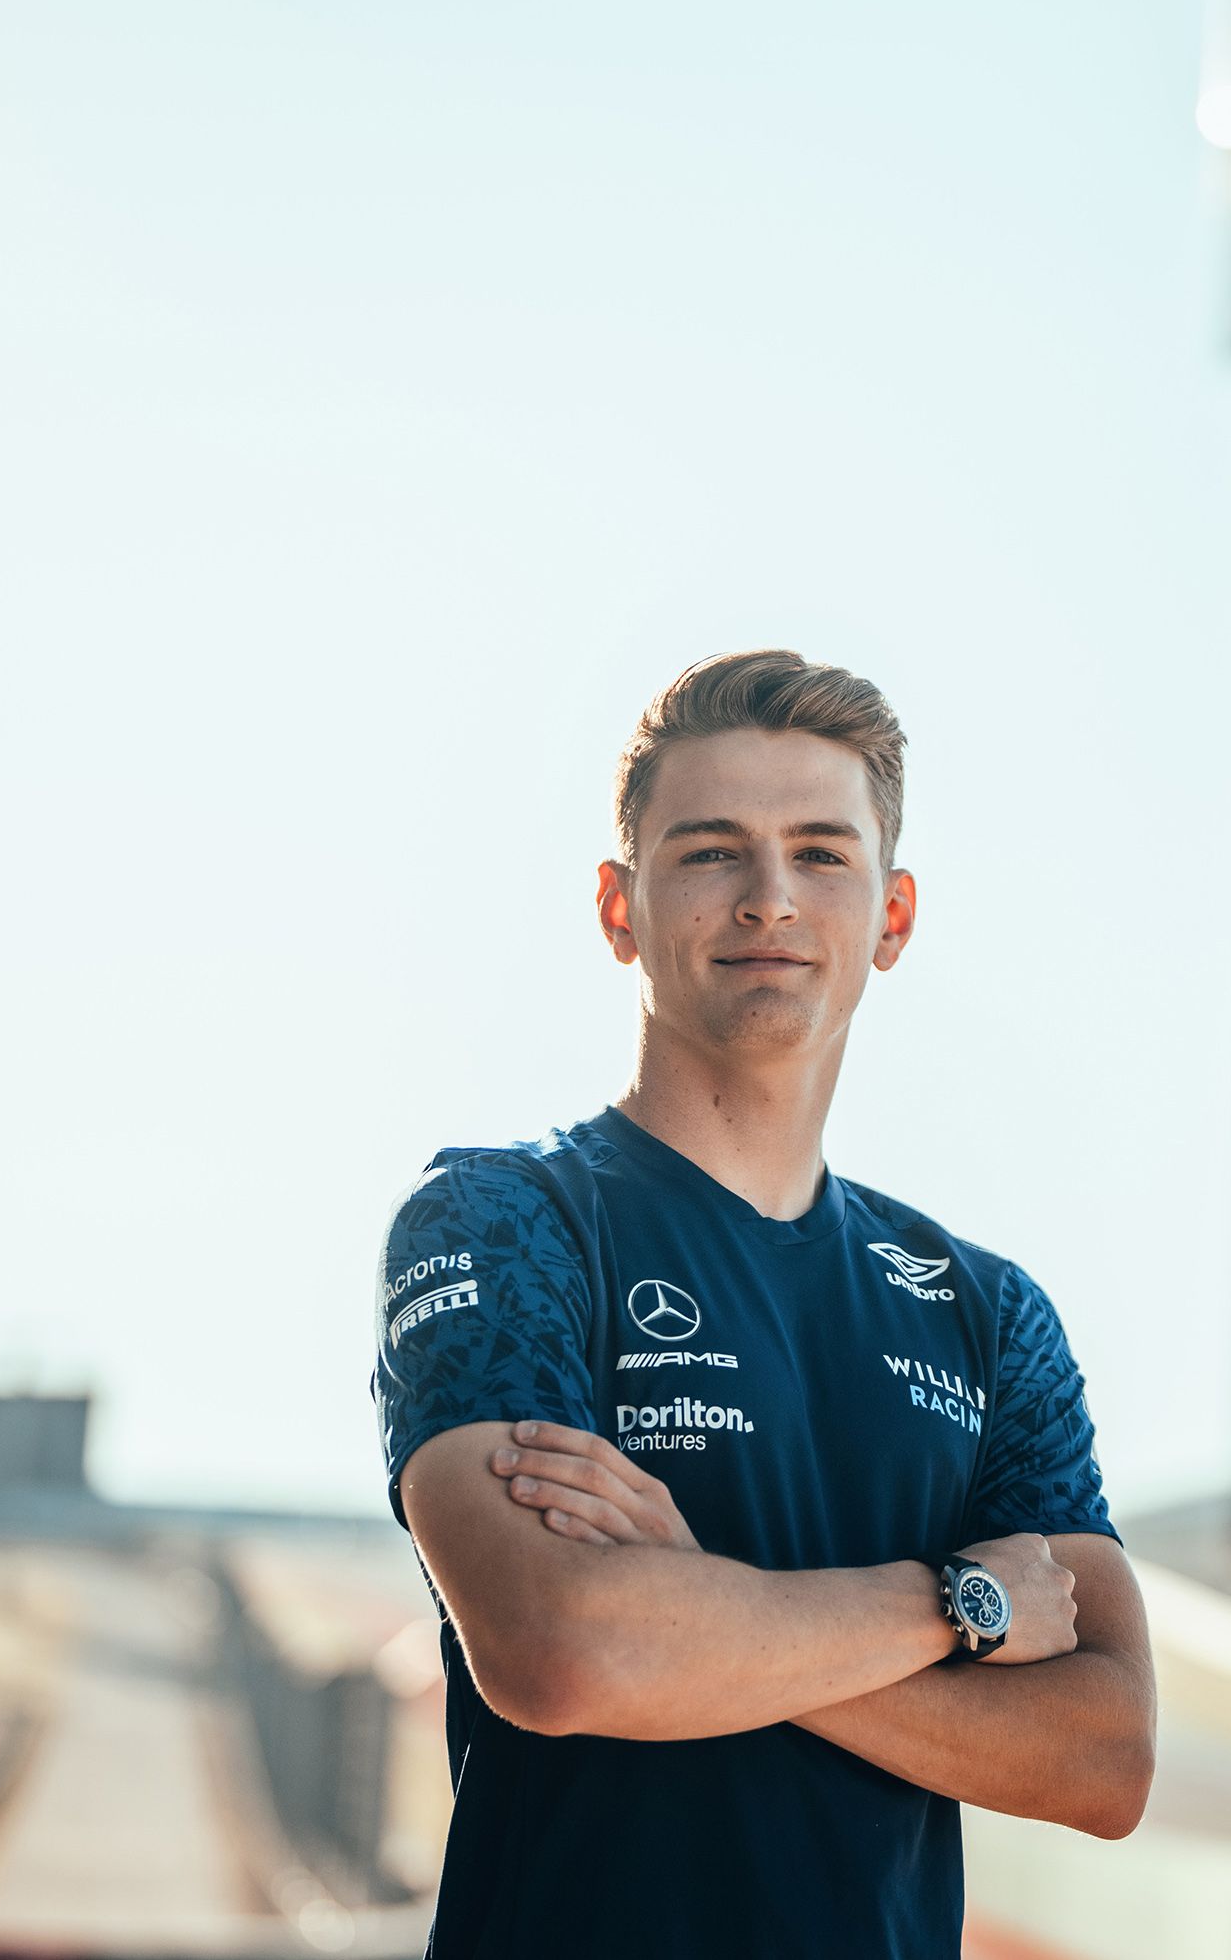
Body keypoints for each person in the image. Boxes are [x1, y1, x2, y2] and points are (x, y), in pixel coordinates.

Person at [372, 650, 1153, 1959]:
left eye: (821, 854)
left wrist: (700, 1608)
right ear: (621, 907)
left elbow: (1105, 1754)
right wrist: (956, 1601)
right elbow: (561, 1651)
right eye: (713, 852)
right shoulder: (507, 1224)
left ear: (893, 917)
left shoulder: (984, 1312)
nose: (771, 898)